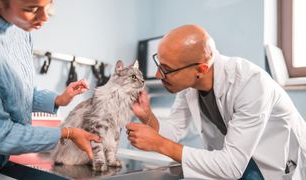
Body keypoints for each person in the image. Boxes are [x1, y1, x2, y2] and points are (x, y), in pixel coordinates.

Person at [126, 24, 306, 179]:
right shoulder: (190, 86)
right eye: (159, 64)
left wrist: (160, 144)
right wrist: (147, 116)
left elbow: (232, 165)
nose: (158, 76)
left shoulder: (251, 83)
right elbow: (174, 130)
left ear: (201, 69)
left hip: (278, 162)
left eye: (166, 69)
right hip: (239, 162)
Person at [0, 0, 100, 179]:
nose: (45, 17)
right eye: (31, 9)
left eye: (48, 5)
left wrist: (58, 100)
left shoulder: (21, 32)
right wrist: (67, 133)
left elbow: (12, 92)